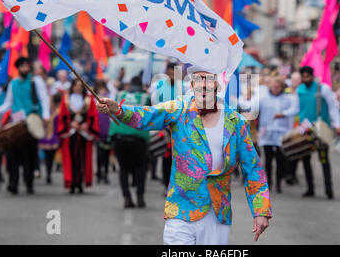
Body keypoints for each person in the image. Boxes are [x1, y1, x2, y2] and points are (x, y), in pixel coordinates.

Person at [97, 66, 272, 245]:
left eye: (209, 79)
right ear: (192, 84)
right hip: (180, 209)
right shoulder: (179, 109)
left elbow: (253, 169)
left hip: (217, 213)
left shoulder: (236, 122)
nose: (203, 85)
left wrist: (261, 211)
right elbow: (146, 116)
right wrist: (117, 109)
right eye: (198, 79)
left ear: (218, 84)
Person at [0, 57, 50, 195]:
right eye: (22, 66)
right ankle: (13, 183)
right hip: (16, 123)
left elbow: (44, 99)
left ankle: (29, 183)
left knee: (30, 155)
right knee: (13, 154)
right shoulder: (13, 84)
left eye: (27, 65)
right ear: (18, 68)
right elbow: (8, 104)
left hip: (32, 122)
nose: (25, 68)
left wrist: (45, 115)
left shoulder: (35, 81)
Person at [297, 66, 340, 199]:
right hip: (305, 129)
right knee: (306, 158)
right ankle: (310, 187)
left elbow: (333, 108)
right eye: (303, 76)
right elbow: (296, 108)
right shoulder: (299, 90)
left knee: (323, 158)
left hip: (322, 129)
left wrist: (338, 124)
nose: (305, 79)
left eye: (307, 76)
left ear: (312, 76)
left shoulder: (323, 89)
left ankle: (328, 188)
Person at [108, 76, 151, 208]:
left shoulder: (119, 95)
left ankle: (126, 197)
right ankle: (140, 196)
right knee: (141, 168)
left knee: (124, 169)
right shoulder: (145, 97)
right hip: (138, 136)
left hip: (119, 136)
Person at [57, 79, 99, 194]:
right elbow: (62, 115)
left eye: (80, 86)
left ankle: (80, 183)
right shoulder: (66, 99)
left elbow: (93, 115)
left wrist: (86, 124)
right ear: (72, 86)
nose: (78, 87)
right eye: (76, 85)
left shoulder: (88, 99)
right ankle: (71, 182)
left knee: (82, 158)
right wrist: (70, 124)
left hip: (84, 133)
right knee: (71, 158)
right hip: (71, 132)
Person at [258, 76, 299, 193]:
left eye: (278, 87)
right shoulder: (263, 98)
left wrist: (284, 114)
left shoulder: (288, 99)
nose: (276, 89)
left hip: (282, 133)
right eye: (274, 86)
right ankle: (269, 181)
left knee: (281, 160)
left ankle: (278, 182)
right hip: (267, 132)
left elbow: (295, 109)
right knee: (268, 159)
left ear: (282, 88)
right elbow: (253, 107)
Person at [38, 93, 62, 184]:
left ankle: (49, 173)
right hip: (45, 137)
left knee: (50, 157)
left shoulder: (58, 111)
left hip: (54, 137)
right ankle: (47, 173)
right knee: (46, 157)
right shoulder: (46, 111)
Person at [94, 80, 111, 184]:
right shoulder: (93, 99)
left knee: (107, 153)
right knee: (99, 153)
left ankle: (106, 174)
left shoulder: (109, 98)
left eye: (103, 88)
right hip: (98, 128)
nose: (102, 90)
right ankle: (99, 173)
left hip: (107, 128)